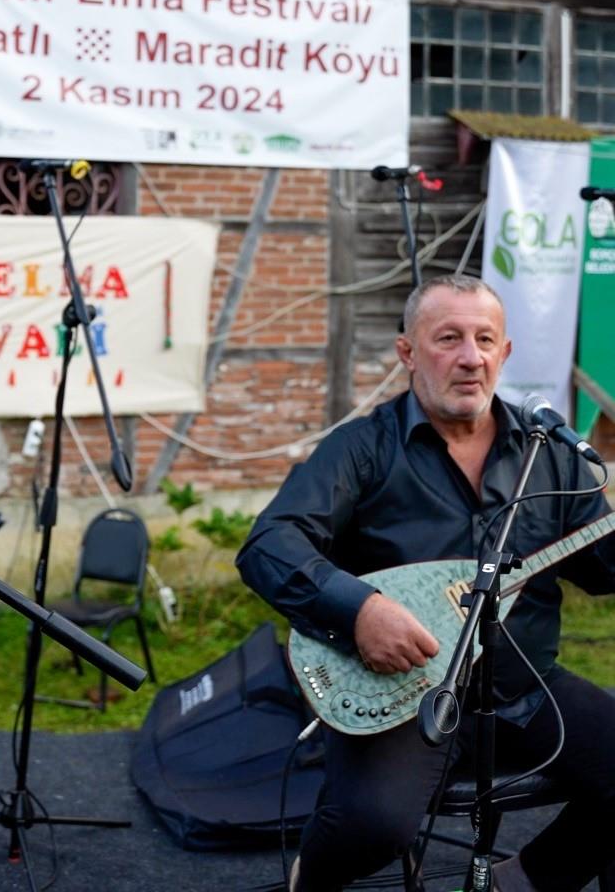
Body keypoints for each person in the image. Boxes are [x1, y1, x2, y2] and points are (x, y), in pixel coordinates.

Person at [237, 274, 615, 892]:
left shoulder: (551, 454)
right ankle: (312, 876)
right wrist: (359, 610)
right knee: (372, 825)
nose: (471, 357)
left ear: (505, 353)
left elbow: (602, 568)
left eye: (485, 339)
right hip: (402, 697)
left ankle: (523, 882)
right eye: (449, 339)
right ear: (408, 352)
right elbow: (269, 544)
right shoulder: (361, 449)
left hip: (523, 688)